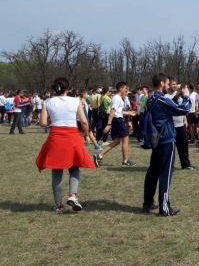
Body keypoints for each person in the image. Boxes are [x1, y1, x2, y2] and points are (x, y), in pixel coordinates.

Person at [35, 77, 96, 213]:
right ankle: (72, 196)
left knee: (56, 171)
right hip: (72, 136)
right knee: (74, 167)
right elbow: (84, 122)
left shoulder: (47, 102)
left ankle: (58, 205)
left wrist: (54, 121)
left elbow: (43, 122)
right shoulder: (76, 101)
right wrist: (86, 135)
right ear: (68, 88)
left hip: (55, 136)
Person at [143, 73, 191, 216]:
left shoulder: (151, 98)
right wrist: (187, 97)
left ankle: (148, 203)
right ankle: (164, 207)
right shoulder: (161, 99)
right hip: (166, 140)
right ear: (162, 83)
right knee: (165, 173)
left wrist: (176, 98)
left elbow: (169, 108)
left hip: (156, 139)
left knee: (153, 172)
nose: (169, 86)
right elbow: (183, 110)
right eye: (168, 84)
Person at [95, 82, 137, 167]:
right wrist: (109, 124)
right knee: (126, 138)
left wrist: (129, 113)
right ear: (120, 89)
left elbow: (118, 111)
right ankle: (125, 161)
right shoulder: (117, 98)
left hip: (118, 119)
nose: (126, 90)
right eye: (125, 88)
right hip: (118, 120)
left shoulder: (119, 98)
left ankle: (99, 155)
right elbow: (112, 111)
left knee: (117, 141)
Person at [166, 78, 197, 170]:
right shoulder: (166, 97)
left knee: (183, 145)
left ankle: (186, 164)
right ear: (168, 85)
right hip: (171, 125)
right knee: (170, 147)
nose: (174, 86)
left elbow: (183, 109)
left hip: (181, 125)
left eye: (175, 84)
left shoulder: (179, 96)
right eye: (172, 84)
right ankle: (169, 165)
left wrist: (185, 120)